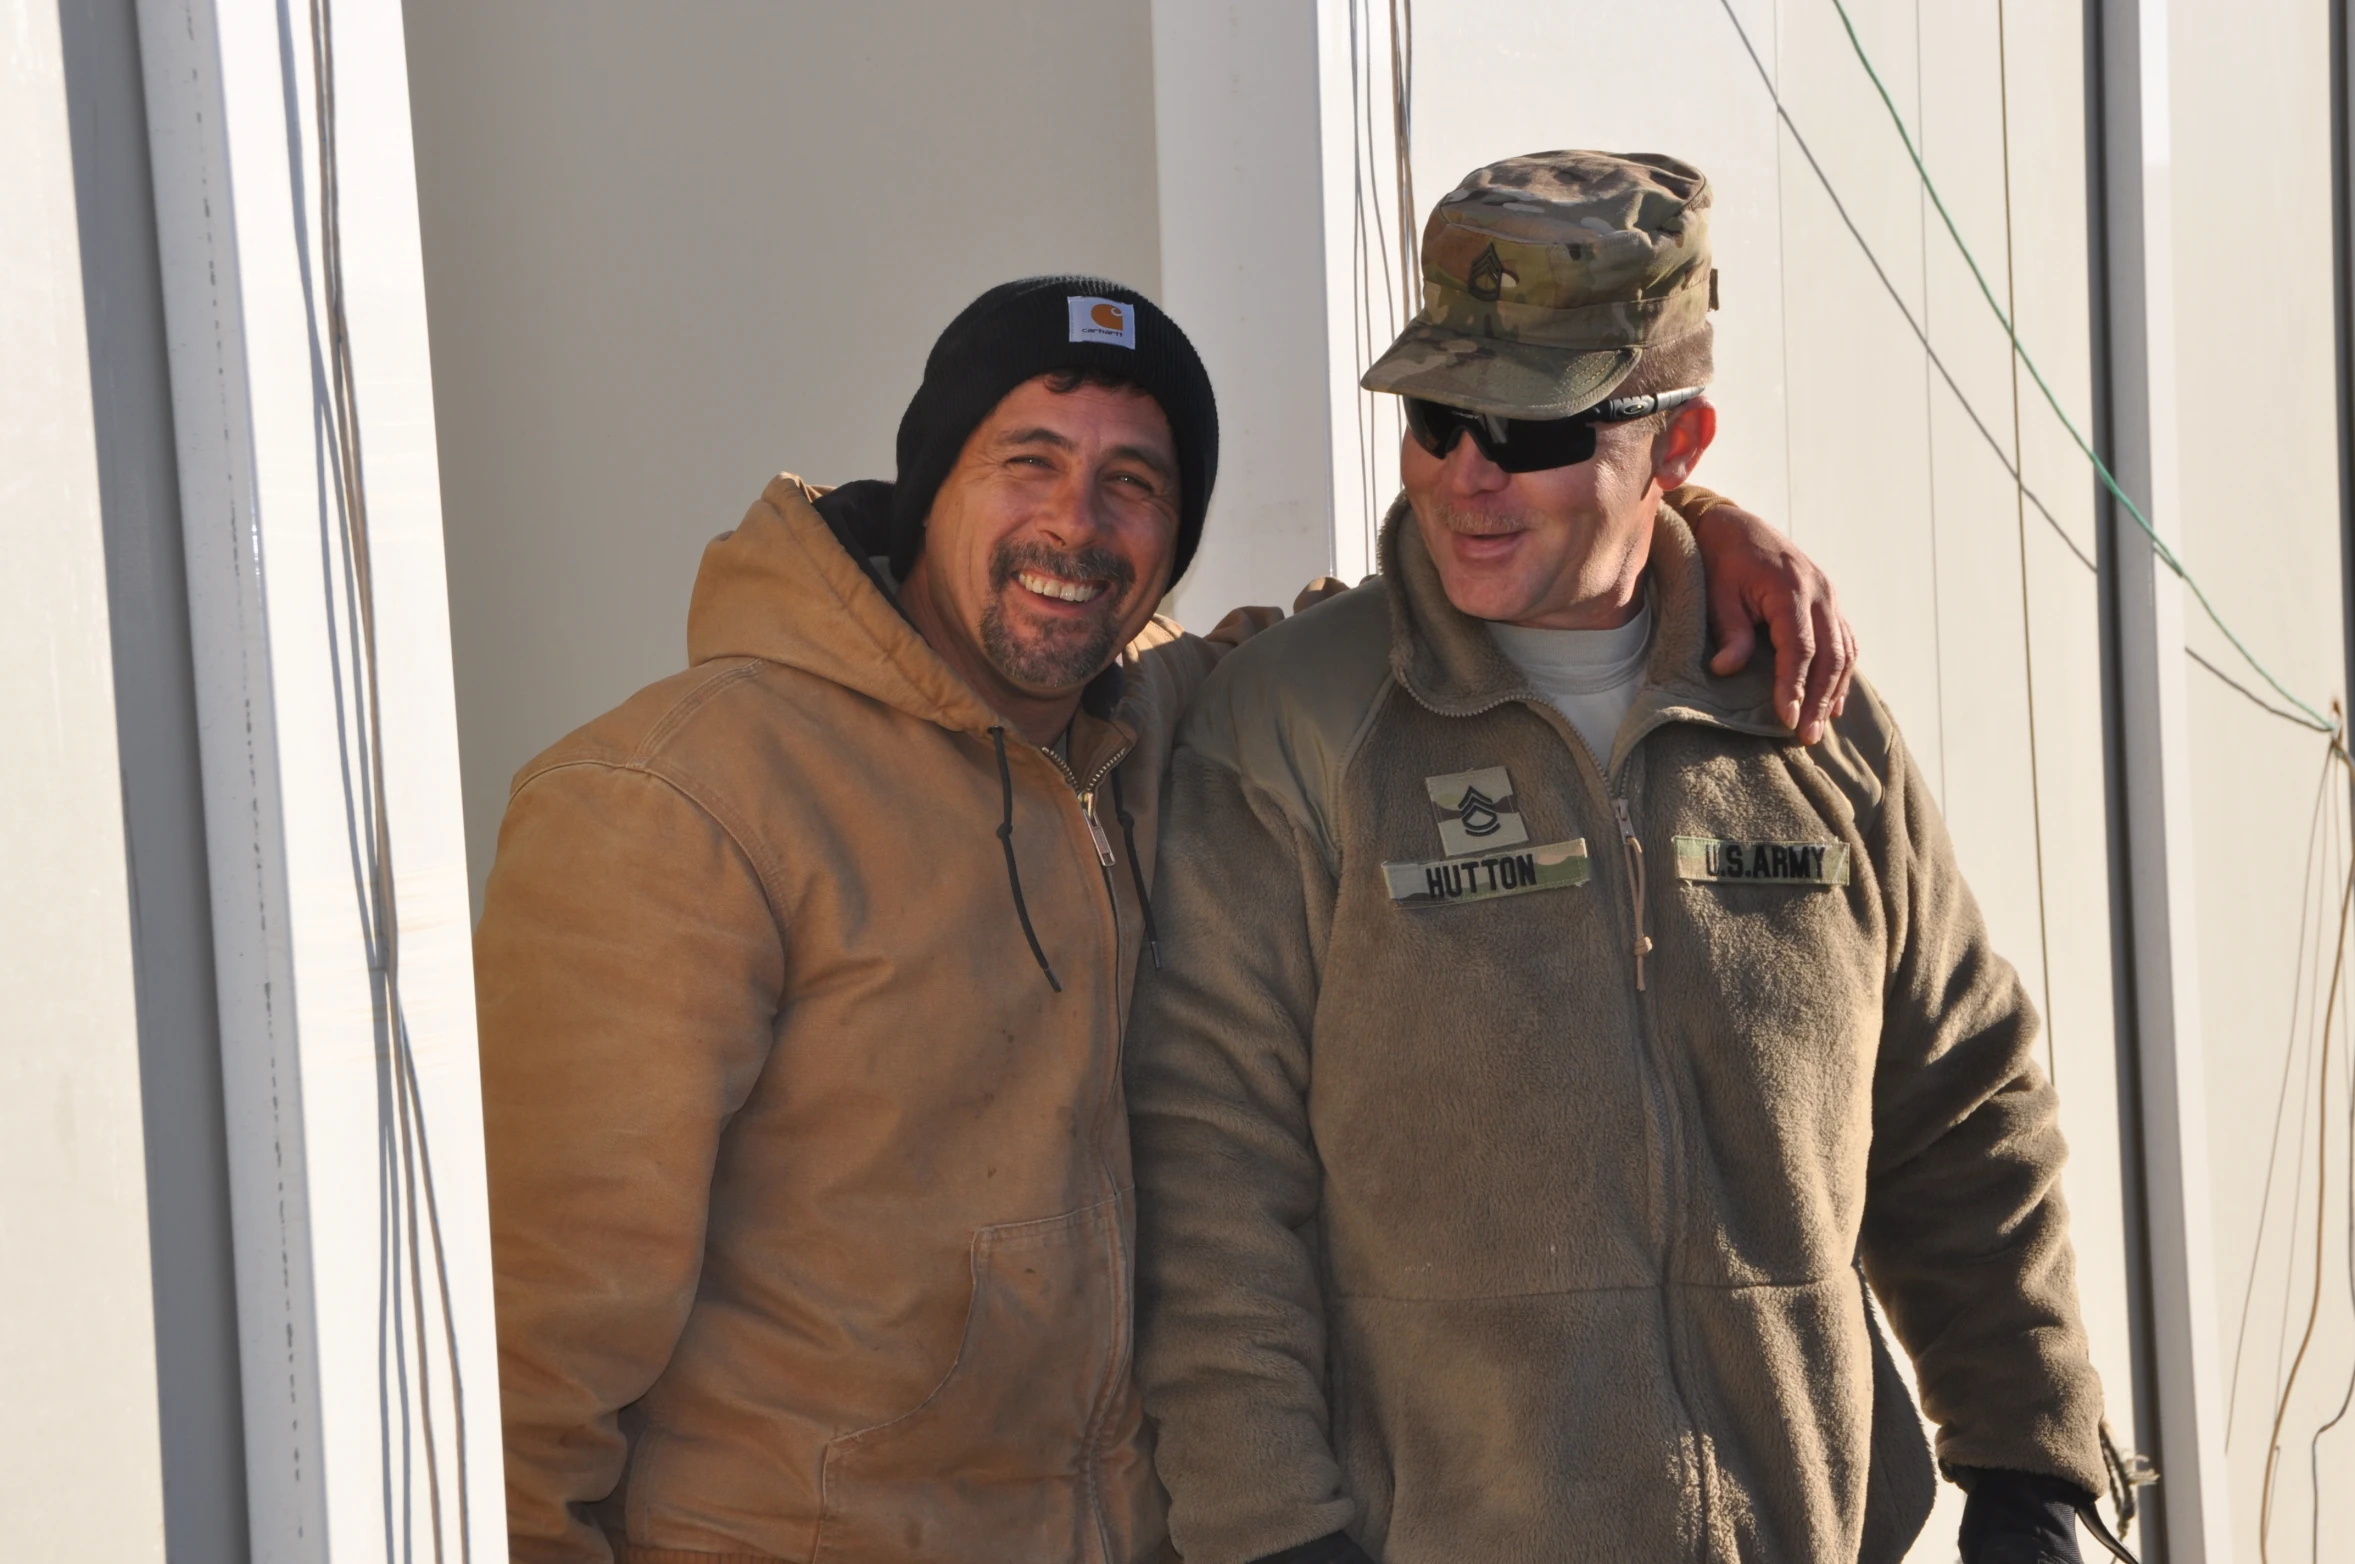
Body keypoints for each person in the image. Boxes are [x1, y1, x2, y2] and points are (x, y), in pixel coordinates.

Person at [476, 273, 1858, 1563]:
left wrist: (1690, 521)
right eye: (1027, 461)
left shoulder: (1175, 725)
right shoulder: (678, 802)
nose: (1076, 526)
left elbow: (1473, 587)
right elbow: (531, 1347)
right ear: (926, 484)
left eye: (1131, 484)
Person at [1125, 153, 2119, 1564]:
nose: (1465, 475)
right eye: (1434, 417)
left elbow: (1957, 1099)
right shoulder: (1293, 727)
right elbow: (1210, 1180)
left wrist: (2033, 1462)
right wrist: (1271, 1535)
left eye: (1533, 432)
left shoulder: (1803, 714)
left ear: (1682, 440)